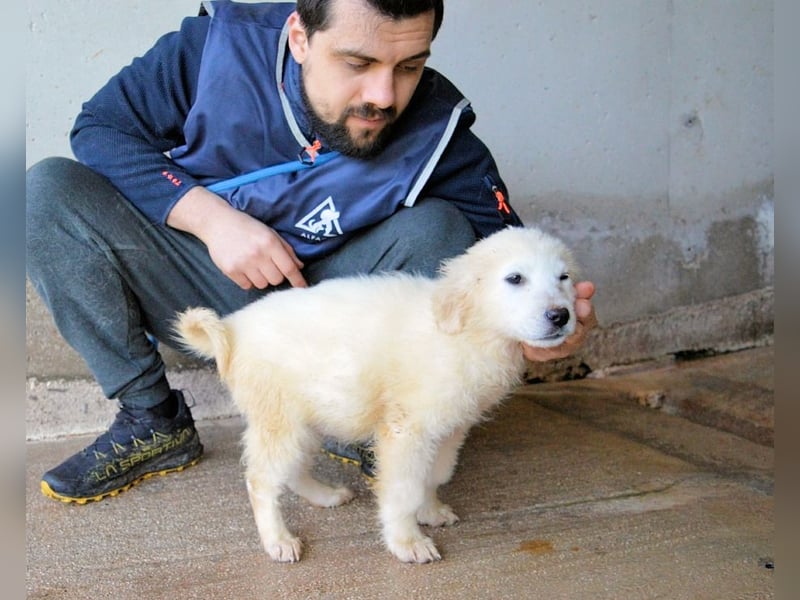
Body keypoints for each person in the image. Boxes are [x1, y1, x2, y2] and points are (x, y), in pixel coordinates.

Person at [26, 0, 597, 503]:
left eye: (409, 66)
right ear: (300, 37)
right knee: (44, 192)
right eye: (357, 63)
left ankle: (376, 427)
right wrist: (212, 220)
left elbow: (508, 251)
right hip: (205, 283)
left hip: (332, 310)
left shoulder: (436, 124)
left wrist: (550, 319)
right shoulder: (215, 50)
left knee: (444, 231)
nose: (383, 95)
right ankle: (152, 419)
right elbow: (100, 129)